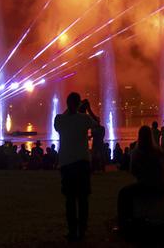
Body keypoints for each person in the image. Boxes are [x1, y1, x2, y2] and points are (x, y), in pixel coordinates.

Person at [53, 92, 100, 242]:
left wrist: (74, 107)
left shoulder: (59, 119)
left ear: (67, 104)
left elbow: (60, 122)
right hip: (82, 163)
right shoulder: (84, 119)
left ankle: (72, 231)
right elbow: (97, 123)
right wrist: (89, 109)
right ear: (79, 104)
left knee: (70, 199)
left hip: (66, 164)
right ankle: (82, 231)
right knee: (83, 198)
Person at [117, 125, 164, 233]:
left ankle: (125, 222)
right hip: (161, 186)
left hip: (147, 185)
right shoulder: (157, 151)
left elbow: (133, 171)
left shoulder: (137, 152)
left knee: (123, 193)